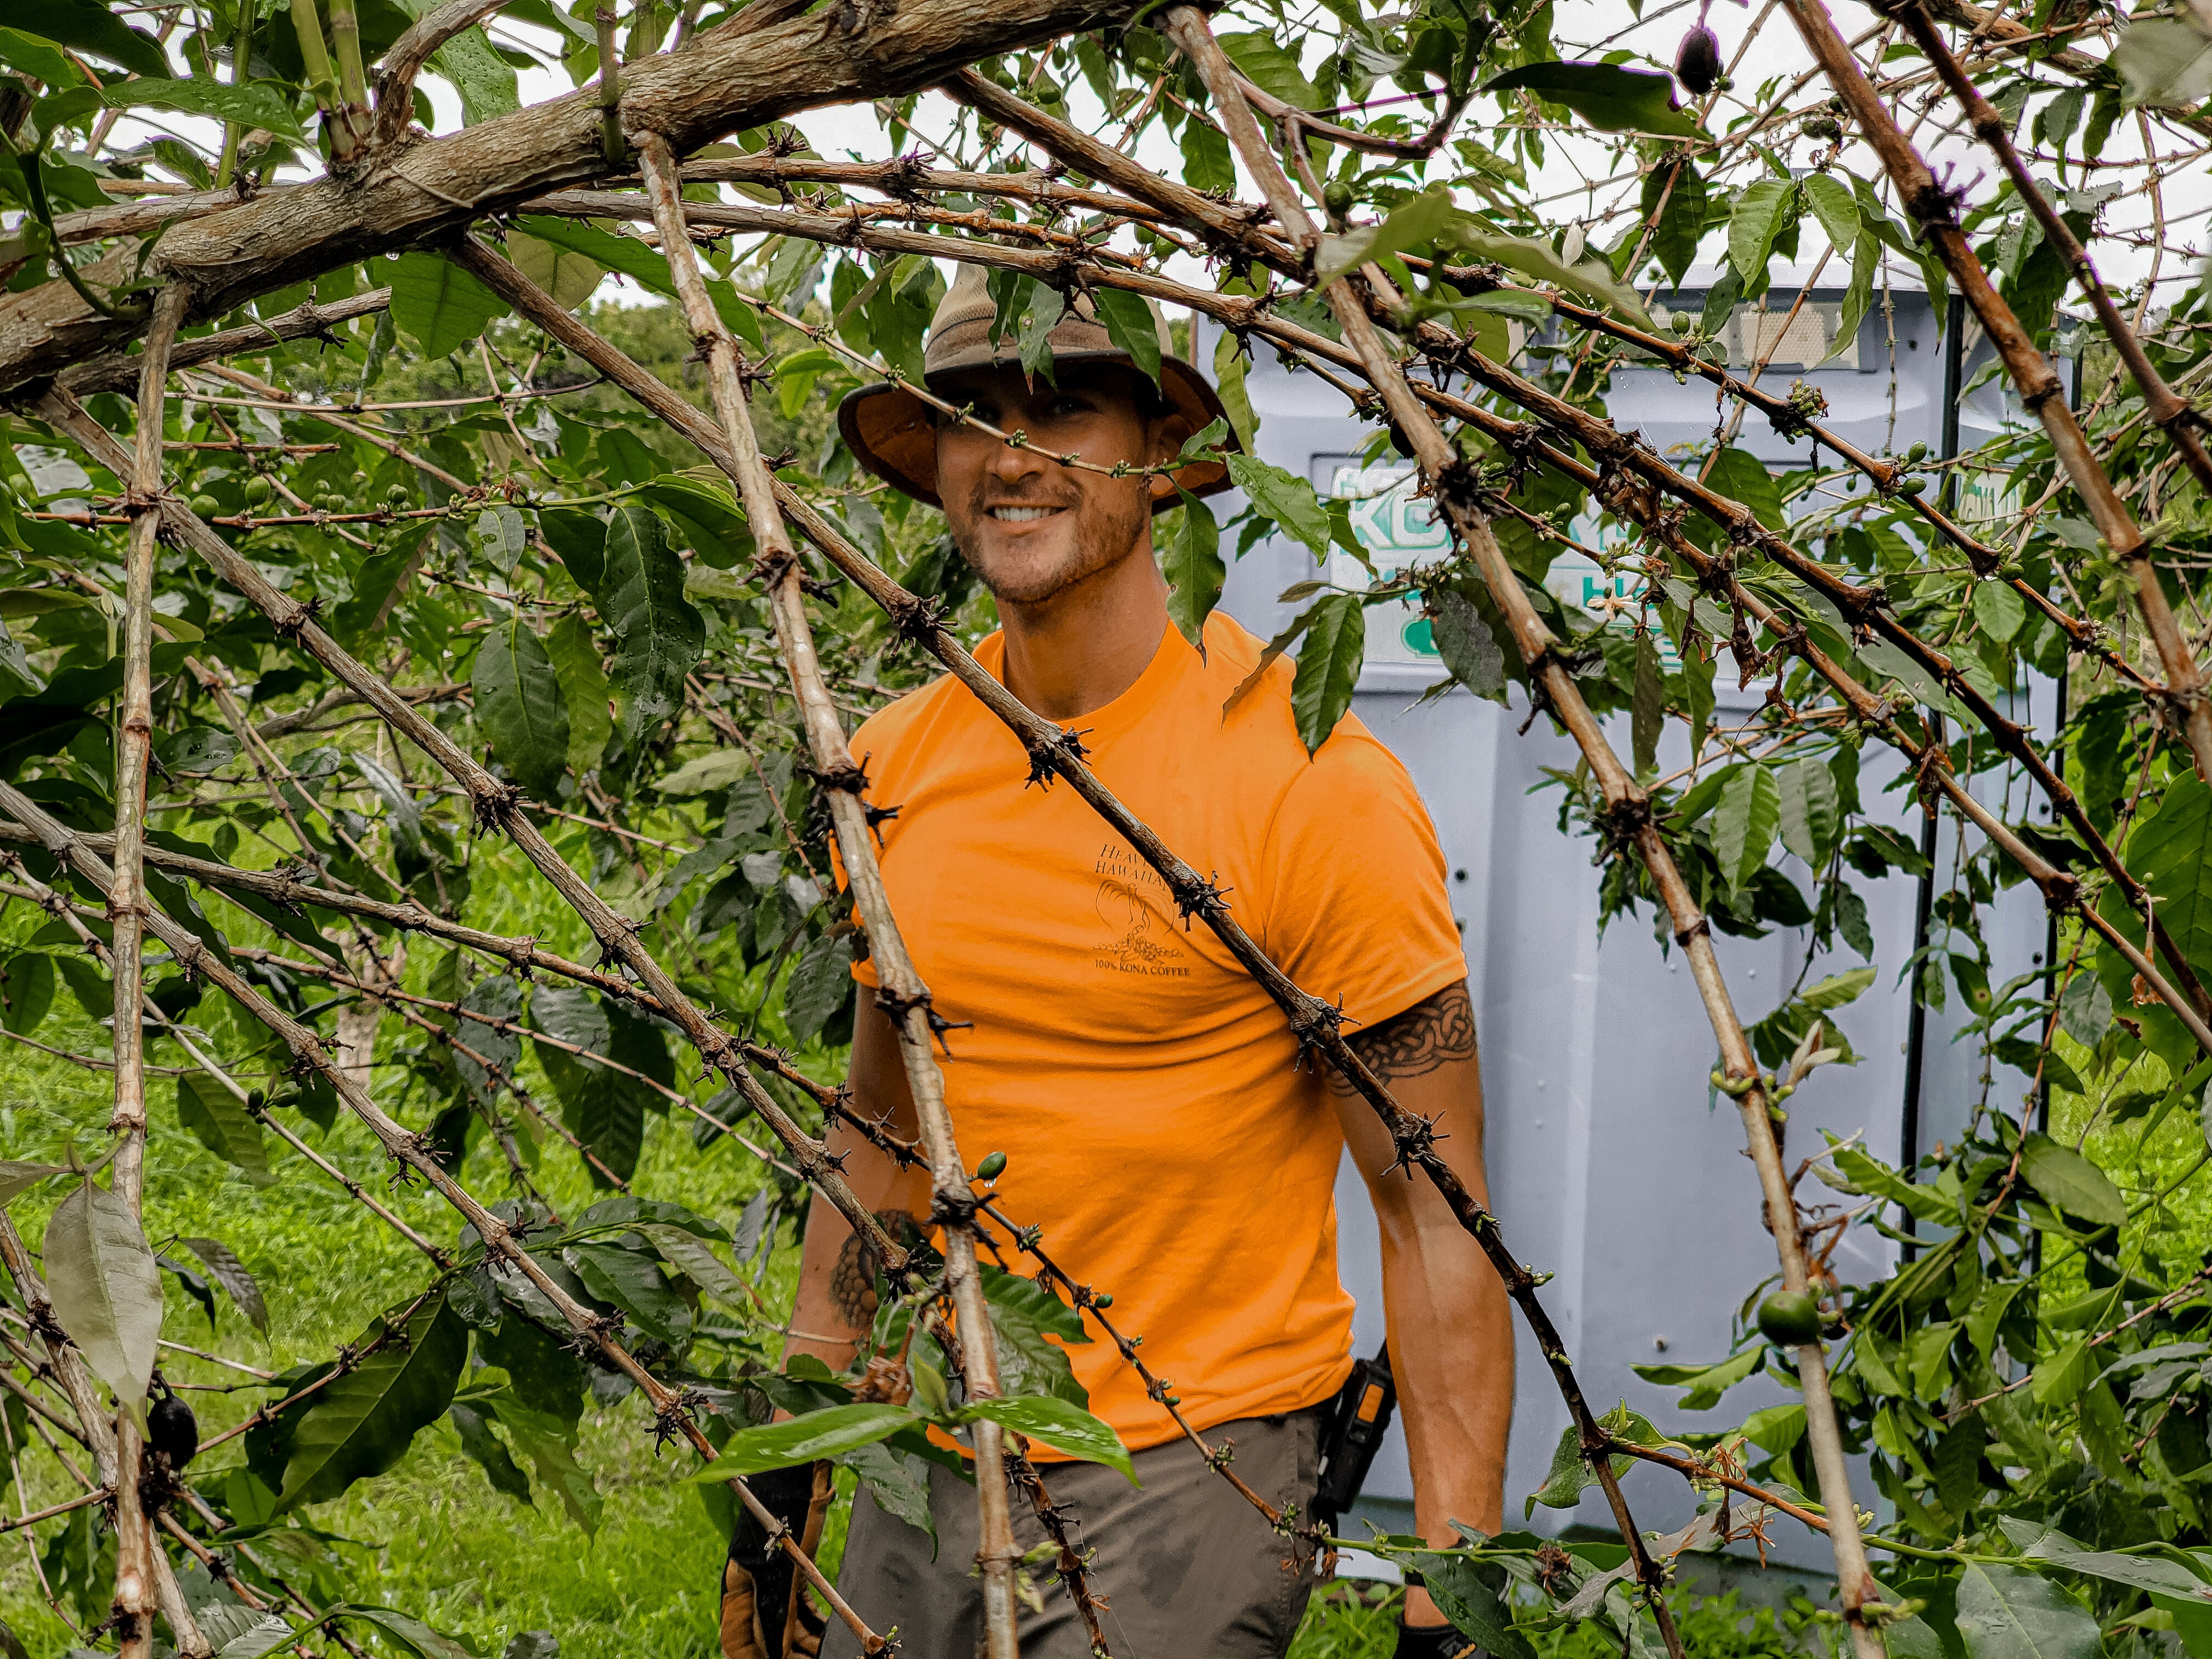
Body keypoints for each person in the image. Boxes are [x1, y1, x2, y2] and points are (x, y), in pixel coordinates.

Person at [759, 268, 1511, 1659]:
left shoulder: (1309, 785)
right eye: (975, 412)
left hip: (1191, 1455)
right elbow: (879, 1126)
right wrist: (799, 1443)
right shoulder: (890, 766)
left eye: (1069, 406)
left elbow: (1433, 1209)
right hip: (932, 1421)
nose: (1013, 452)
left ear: (1162, 457)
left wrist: (1449, 1589)